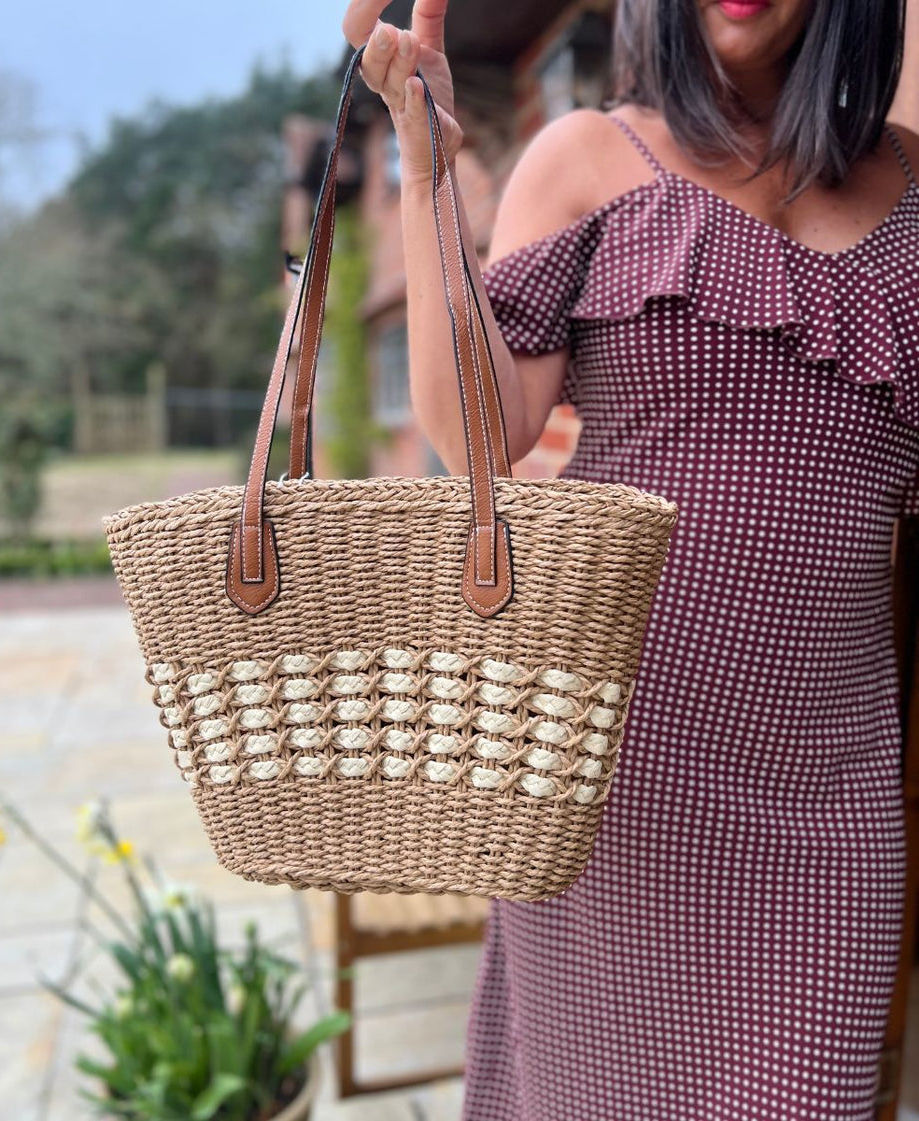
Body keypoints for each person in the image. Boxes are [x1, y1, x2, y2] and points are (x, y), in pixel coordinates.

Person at [342, 0, 919, 1117]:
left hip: (827, 812)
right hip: (615, 801)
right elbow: (478, 438)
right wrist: (422, 179)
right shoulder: (589, 158)